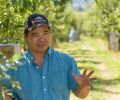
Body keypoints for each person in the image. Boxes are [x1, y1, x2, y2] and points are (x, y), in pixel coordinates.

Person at [6, 14, 96, 100]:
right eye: (36, 35)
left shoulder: (66, 61)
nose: (42, 39)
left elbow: (82, 95)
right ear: (25, 37)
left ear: (50, 34)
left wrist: (82, 86)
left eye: (45, 33)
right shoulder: (14, 64)